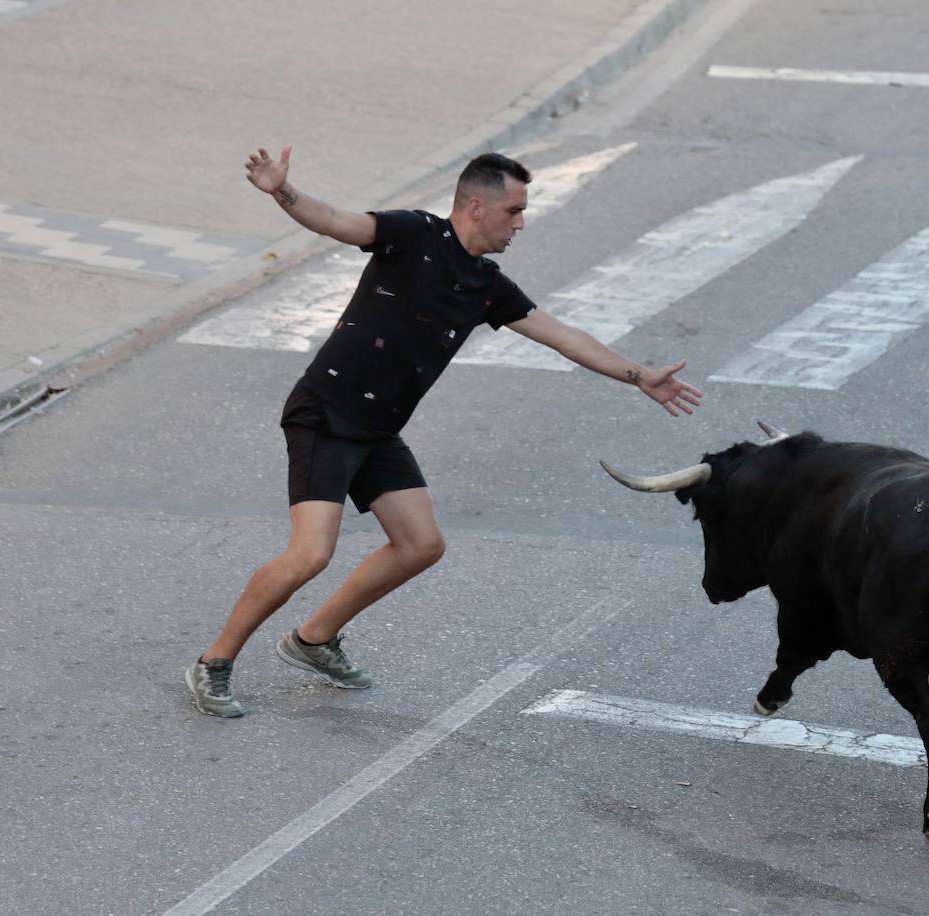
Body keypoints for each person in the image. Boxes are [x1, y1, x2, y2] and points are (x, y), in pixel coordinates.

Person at [185, 145, 703, 717]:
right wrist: (281, 190)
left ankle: (312, 639)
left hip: (379, 429)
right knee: (310, 554)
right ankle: (215, 661)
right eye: (514, 211)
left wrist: (639, 376)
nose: (521, 223)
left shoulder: (487, 285)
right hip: (327, 413)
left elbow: (563, 336)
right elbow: (335, 222)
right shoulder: (411, 235)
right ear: (477, 207)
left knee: (421, 545)